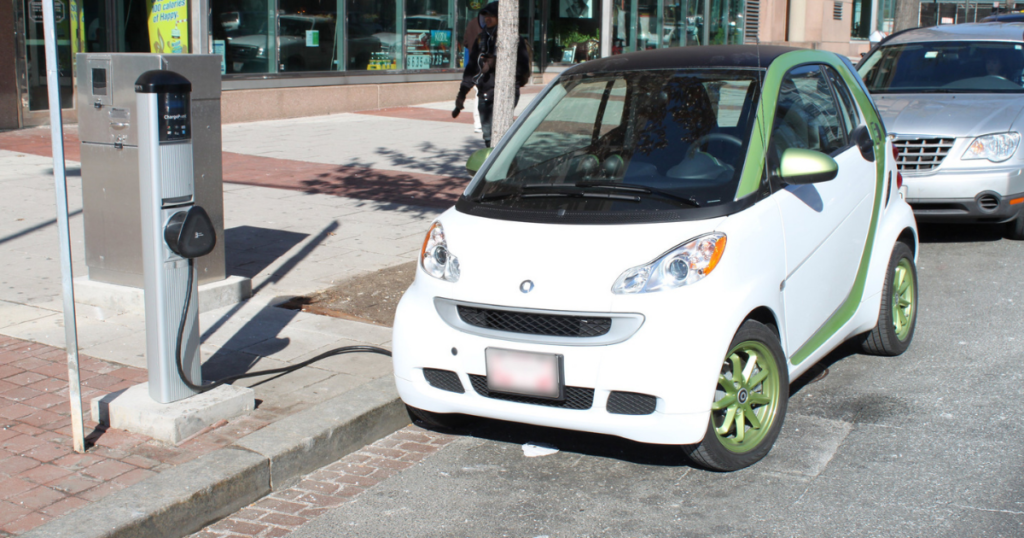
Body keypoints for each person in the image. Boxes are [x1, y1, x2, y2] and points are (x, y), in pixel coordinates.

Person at [452, 1, 531, 147]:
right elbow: (471, 68)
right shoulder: (481, 39)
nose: (487, 19)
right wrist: (461, 94)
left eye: (491, 16)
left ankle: (507, 164)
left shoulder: (514, 39)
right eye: (485, 16)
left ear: (500, 17)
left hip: (505, 92)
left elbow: (523, 68)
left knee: (501, 134)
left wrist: (498, 63)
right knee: (488, 136)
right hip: (484, 92)